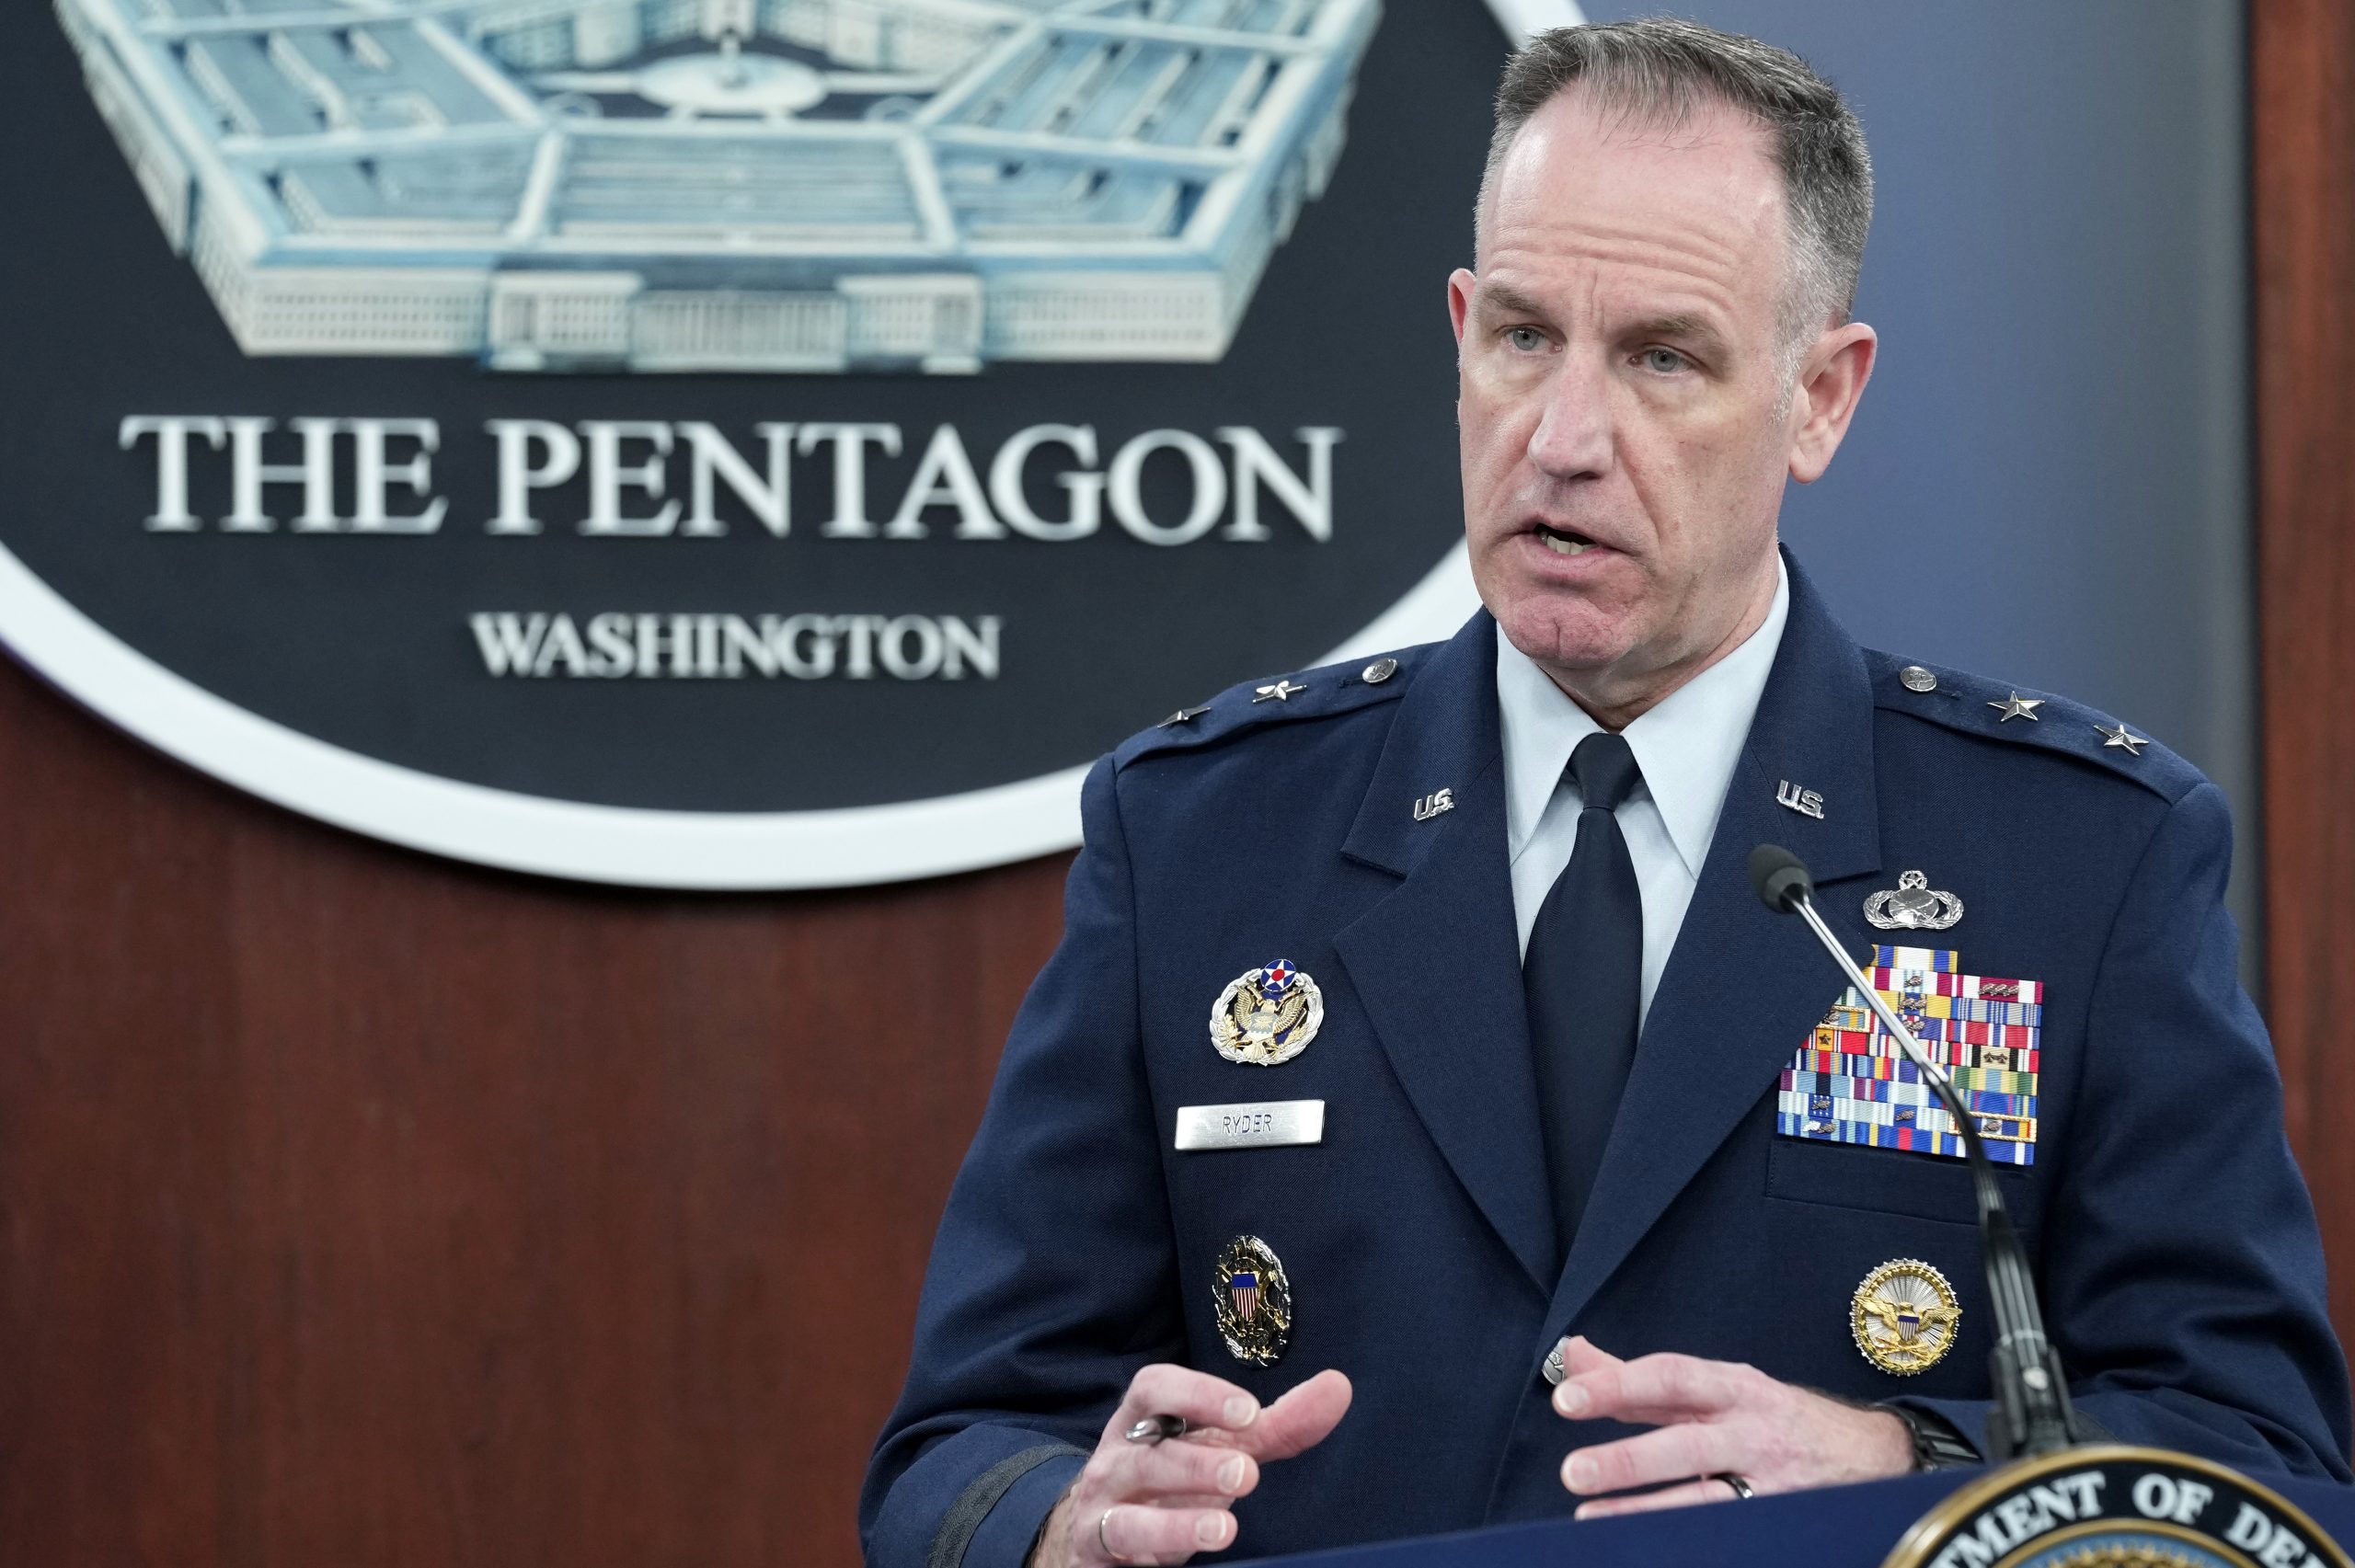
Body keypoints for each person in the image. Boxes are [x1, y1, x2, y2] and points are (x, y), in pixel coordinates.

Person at [861, 18, 2353, 1568]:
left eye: (1662, 358)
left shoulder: (2081, 862)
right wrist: (1060, 1522)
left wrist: (1907, 1466)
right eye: (1523, 338)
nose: (1563, 440)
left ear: (1821, 397)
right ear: (1460, 335)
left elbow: (2260, 1461)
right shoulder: (1202, 837)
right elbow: (957, 1447)